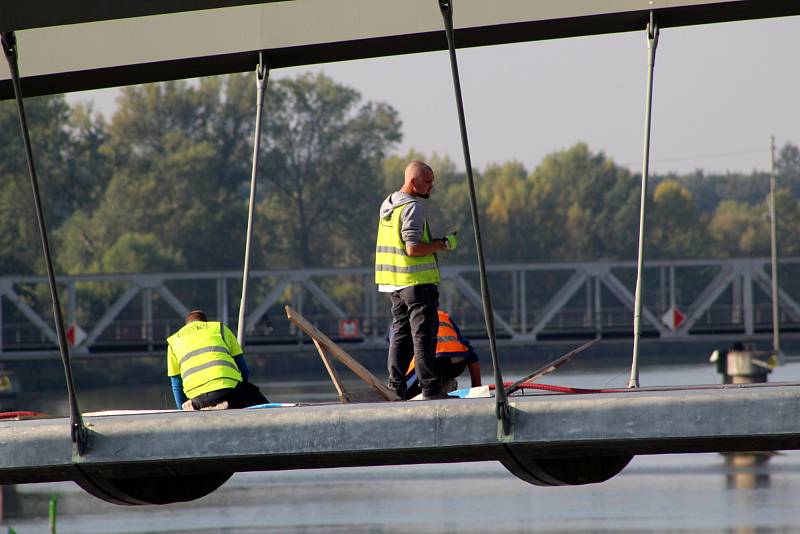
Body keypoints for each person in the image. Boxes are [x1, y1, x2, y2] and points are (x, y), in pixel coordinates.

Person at [375, 160, 458, 400]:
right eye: (428, 182)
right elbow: (412, 248)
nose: (432, 187)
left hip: (395, 283)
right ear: (413, 182)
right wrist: (443, 244)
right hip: (417, 284)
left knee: (400, 335)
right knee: (423, 336)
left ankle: (395, 388)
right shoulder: (413, 208)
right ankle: (430, 389)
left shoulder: (388, 206)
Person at [167, 310, 268, 410]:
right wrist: (242, 388)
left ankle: (203, 406)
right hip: (227, 392)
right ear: (205, 322)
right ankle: (224, 404)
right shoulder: (219, 328)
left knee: (198, 402)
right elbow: (244, 369)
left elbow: (176, 386)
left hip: (197, 399)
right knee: (256, 398)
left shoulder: (173, 341)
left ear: (186, 325)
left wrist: (181, 410)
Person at [403, 309, 482, 400]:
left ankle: (435, 389)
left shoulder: (403, 321)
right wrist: (477, 387)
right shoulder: (443, 315)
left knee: (406, 392)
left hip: (431, 364)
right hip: (457, 362)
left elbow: (400, 358)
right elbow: (470, 352)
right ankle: (445, 385)